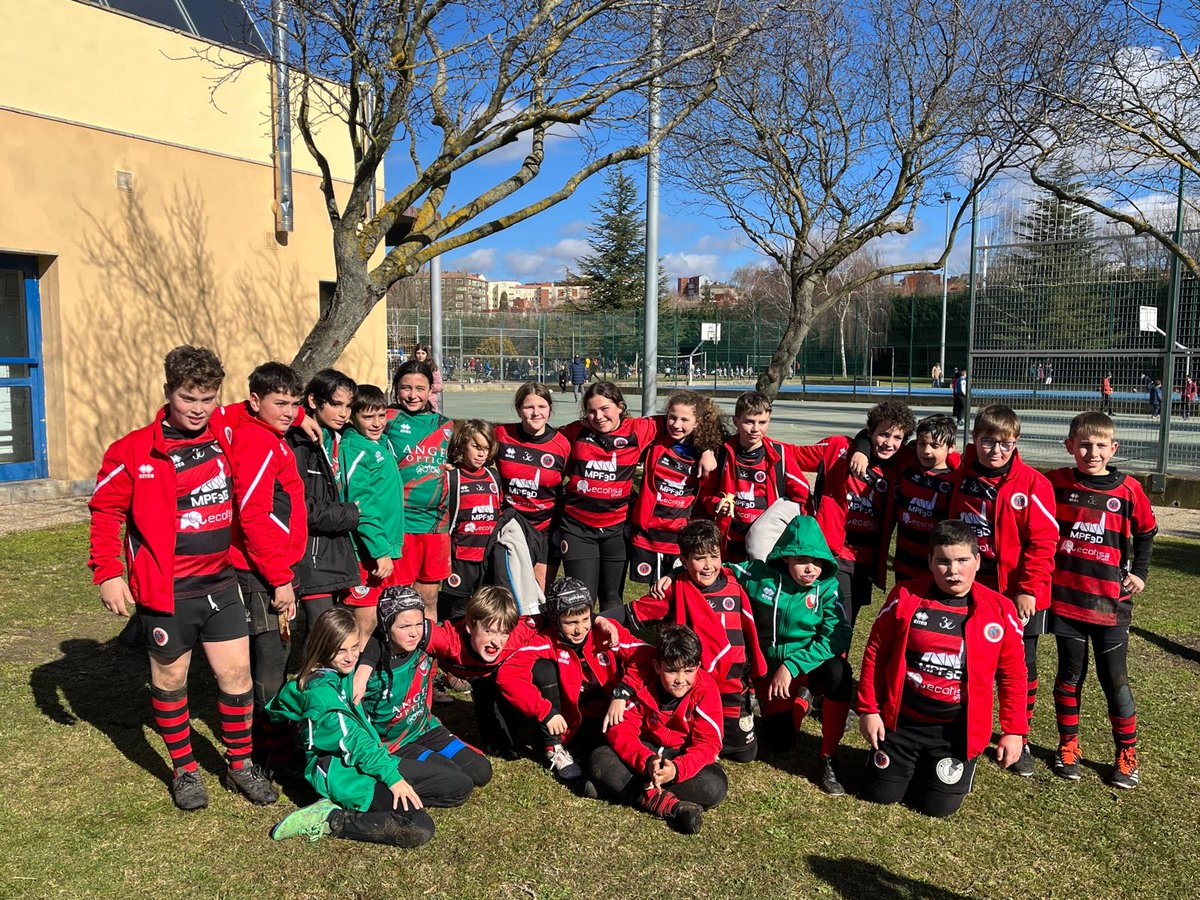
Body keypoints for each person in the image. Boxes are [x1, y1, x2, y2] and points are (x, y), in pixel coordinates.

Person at [88, 345, 277, 810]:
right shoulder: (132, 450)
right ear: (168, 392)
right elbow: (103, 510)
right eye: (188, 398)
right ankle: (186, 771)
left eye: (207, 399)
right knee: (171, 682)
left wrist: (304, 419)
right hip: (167, 591)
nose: (198, 409)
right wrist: (109, 572)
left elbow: (268, 408)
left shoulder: (226, 435)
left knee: (237, 676)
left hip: (220, 582)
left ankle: (240, 765)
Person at [858, 521, 1028, 818]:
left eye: (962, 560)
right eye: (943, 561)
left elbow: (1013, 674)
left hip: (954, 733)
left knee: (937, 809)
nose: (953, 571)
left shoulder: (1000, 610)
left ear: (977, 561)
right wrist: (869, 710)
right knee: (880, 796)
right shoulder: (905, 595)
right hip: (903, 724)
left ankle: (945, 771)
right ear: (930, 562)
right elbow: (876, 652)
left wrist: (1014, 731)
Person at [1047, 412, 1157, 788]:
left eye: (1099, 446)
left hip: (1110, 604)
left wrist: (1139, 573)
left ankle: (1126, 755)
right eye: (1083, 445)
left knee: (1114, 680)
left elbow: (1147, 532)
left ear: (1113, 448)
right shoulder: (1055, 483)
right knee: (1069, 675)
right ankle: (1068, 746)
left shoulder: (1129, 490)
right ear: (1069, 447)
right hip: (1066, 602)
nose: (1091, 452)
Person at [947, 404, 1057, 777]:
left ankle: (1018, 735)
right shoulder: (961, 473)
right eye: (988, 441)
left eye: (1005, 443)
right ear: (974, 440)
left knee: (1020, 664)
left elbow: (1043, 542)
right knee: (963, 654)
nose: (996, 450)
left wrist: (1029, 590)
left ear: (1016, 443)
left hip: (1017, 590)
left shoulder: (1032, 484)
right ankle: (962, 724)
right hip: (972, 583)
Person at [265, 608, 437, 847]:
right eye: (341, 650)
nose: (350, 657)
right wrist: (392, 777)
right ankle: (331, 818)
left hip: (363, 762)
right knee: (419, 827)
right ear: (323, 648)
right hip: (342, 776)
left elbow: (277, 705)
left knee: (456, 788)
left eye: (355, 648)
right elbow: (354, 741)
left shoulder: (340, 672)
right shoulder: (322, 695)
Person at [602, 520, 767, 763]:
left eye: (714, 556)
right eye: (700, 558)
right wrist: (595, 620)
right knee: (697, 744)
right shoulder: (676, 588)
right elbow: (632, 612)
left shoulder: (734, 583)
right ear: (685, 560)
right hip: (693, 683)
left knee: (744, 754)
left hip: (734, 684)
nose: (709, 565)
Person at [730, 513, 854, 795]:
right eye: (801, 560)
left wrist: (792, 665)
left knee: (840, 672)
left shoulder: (828, 588)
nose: (810, 569)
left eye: (817, 561)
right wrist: (675, 573)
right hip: (771, 674)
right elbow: (719, 571)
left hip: (804, 667)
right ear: (785, 557)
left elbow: (839, 635)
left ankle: (829, 756)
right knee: (780, 743)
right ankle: (801, 700)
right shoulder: (760, 576)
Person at [227, 361, 308, 779]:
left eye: (295, 403)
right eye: (280, 403)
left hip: (274, 565)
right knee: (271, 660)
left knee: (277, 654)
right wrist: (278, 578)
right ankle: (267, 751)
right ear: (255, 400)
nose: (290, 412)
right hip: (260, 572)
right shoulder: (257, 442)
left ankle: (271, 742)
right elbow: (254, 514)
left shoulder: (271, 435)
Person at [496, 577, 645, 789]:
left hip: (612, 711)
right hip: (574, 720)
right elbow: (508, 675)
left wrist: (622, 693)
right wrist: (544, 711)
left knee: (621, 747)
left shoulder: (604, 632)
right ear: (555, 620)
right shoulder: (546, 641)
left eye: (585, 619)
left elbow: (644, 653)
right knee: (542, 670)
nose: (579, 629)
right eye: (570, 623)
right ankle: (554, 747)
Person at [589, 624, 727, 835]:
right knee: (600, 757)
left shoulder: (706, 690)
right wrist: (647, 761)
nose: (681, 680)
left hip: (680, 755)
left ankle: (623, 790)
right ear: (657, 666)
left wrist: (676, 769)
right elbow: (622, 729)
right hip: (645, 751)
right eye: (672, 670)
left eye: (689, 671)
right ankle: (675, 808)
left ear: (699, 666)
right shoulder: (642, 682)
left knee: (714, 786)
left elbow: (708, 742)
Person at [792, 399, 916, 628]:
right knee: (832, 621)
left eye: (897, 438)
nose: (889, 443)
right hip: (834, 553)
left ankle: (838, 663)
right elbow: (789, 455)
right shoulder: (839, 449)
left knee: (848, 623)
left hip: (866, 560)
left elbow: (939, 457)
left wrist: (863, 446)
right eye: (883, 435)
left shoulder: (901, 465)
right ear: (870, 432)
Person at [354, 587, 492, 789]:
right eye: (404, 626)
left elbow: (454, 631)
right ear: (386, 626)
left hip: (425, 729)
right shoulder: (370, 671)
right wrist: (364, 667)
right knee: (455, 777)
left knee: (481, 771)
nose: (413, 632)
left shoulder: (425, 643)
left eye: (419, 624)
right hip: (395, 744)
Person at [555, 382, 664, 607]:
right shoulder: (574, 431)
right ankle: (581, 642)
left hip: (616, 530)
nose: (598, 416)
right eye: (592, 411)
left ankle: (611, 643)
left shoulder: (638, 430)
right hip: (578, 529)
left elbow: (685, 420)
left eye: (605, 409)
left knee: (611, 598)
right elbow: (542, 443)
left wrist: (707, 450)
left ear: (620, 407)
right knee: (580, 601)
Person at [286, 369, 360, 653]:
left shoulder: (338, 437)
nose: (343, 413)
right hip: (310, 554)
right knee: (321, 633)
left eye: (348, 406)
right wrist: (351, 513)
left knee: (335, 631)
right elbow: (301, 508)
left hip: (335, 549)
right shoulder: (298, 443)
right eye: (336, 404)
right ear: (314, 401)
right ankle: (309, 691)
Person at [700, 390, 811, 564]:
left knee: (760, 587)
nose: (755, 429)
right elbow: (707, 493)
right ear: (736, 421)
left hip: (766, 543)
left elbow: (801, 495)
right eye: (749, 422)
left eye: (762, 422)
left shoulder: (779, 454)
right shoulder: (721, 453)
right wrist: (716, 505)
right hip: (730, 541)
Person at [627, 390, 725, 584]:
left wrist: (706, 449)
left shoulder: (708, 451)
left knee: (683, 589)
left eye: (684, 420)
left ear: (697, 422)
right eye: (672, 417)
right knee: (655, 592)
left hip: (682, 535)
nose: (676, 425)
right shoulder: (655, 439)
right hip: (650, 533)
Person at [387, 359, 454, 620]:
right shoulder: (387, 419)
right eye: (405, 388)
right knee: (399, 596)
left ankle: (426, 658)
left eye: (420, 388)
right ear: (395, 388)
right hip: (400, 524)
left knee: (428, 597)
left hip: (436, 525)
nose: (413, 395)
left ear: (430, 390)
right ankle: (395, 653)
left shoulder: (445, 425)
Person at [339, 384, 405, 644]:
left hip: (384, 546)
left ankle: (370, 678)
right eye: (368, 417)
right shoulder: (354, 448)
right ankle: (352, 682)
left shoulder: (380, 442)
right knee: (364, 624)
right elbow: (362, 504)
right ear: (353, 416)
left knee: (381, 617)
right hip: (367, 553)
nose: (377, 423)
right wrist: (379, 550)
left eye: (381, 415)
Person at [494, 383, 572, 590]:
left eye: (542, 406)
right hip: (510, 526)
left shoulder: (562, 445)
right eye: (529, 407)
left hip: (546, 528)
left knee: (538, 593)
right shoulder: (501, 435)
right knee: (507, 591)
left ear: (550, 409)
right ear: (519, 409)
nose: (536, 413)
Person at [878, 415, 960, 585]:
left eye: (935, 446)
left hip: (934, 566)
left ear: (951, 447)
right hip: (903, 563)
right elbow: (870, 435)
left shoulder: (954, 482)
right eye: (921, 444)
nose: (926, 451)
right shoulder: (907, 467)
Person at [440, 419, 504, 620]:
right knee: (456, 610)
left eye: (486, 448)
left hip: (487, 558)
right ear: (462, 444)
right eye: (475, 447)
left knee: (484, 610)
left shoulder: (494, 476)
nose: (481, 453)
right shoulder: (452, 477)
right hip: (461, 558)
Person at [412, 343, 443, 412]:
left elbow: (439, 386)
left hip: (429, 402)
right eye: (418, 353)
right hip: (413, 401)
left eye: (423, 353)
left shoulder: (432, 368)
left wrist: (426, 388)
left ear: (427, 354)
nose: (420, 356)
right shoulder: (410, 367)